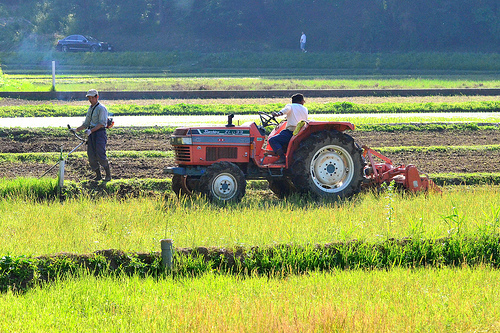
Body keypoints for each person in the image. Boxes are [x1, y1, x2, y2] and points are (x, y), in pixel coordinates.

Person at [73, 89, 111, 181]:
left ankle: (108, 175)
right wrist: (76, 130)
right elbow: (86, 123)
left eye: (92, 97)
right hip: (91, 134)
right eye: (89, 98)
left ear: (97, 97)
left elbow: (102, 124)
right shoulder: (90, 108)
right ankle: (98, 176)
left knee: (100, 154)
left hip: (99, 134)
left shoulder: (101, 108)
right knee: (91, 156)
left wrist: (91, 130)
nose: (90, 100)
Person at [268, 93, 308, 164]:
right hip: (301, 132)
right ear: (301, 101)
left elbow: (286, 110)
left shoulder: (291, 106)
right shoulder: (305, 109)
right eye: (303, 101)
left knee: (272, 140)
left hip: (291, 132)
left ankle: (282, 157)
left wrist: (278, 114)